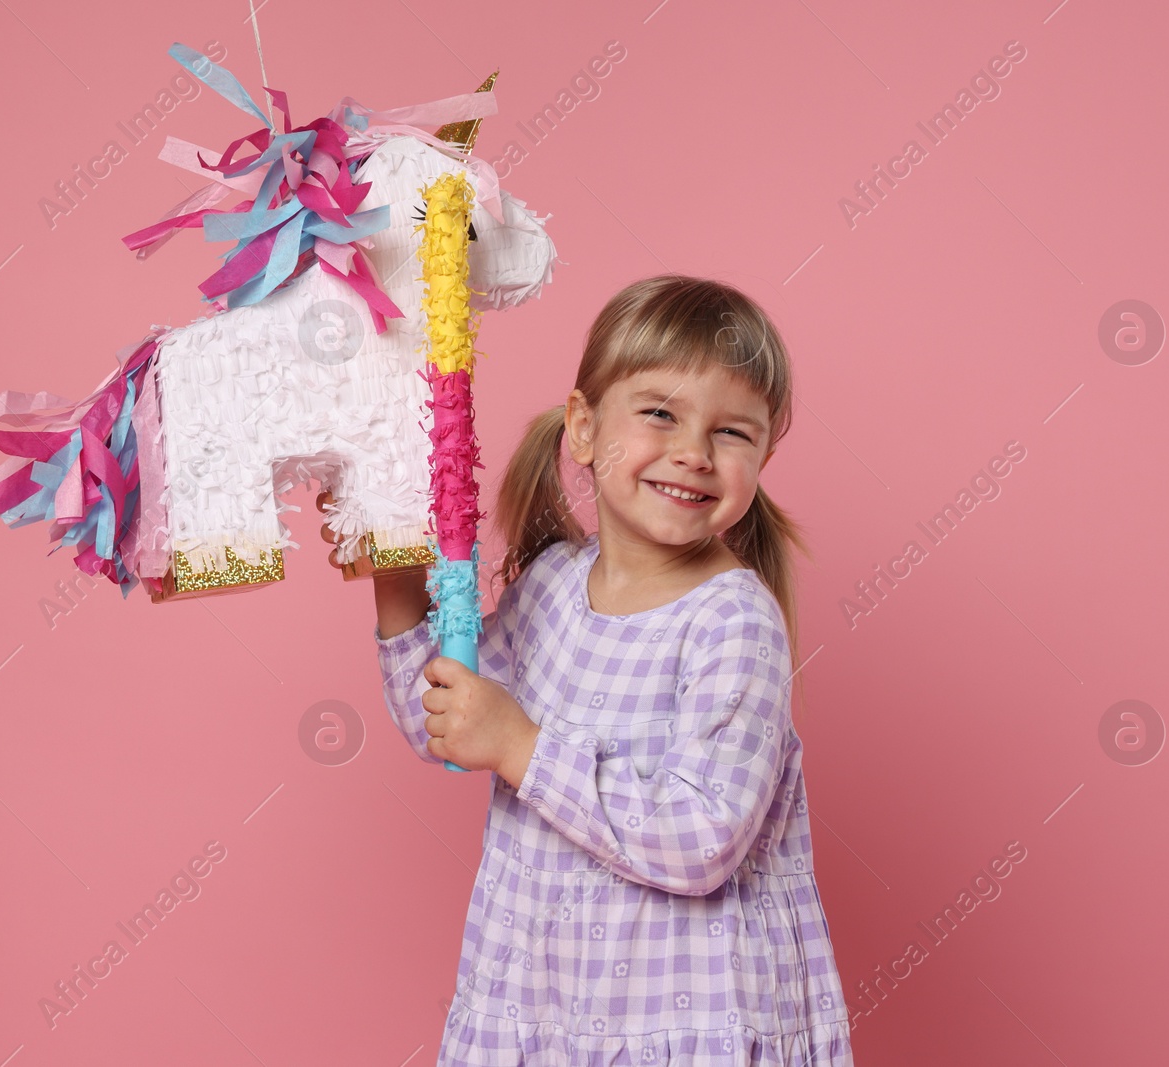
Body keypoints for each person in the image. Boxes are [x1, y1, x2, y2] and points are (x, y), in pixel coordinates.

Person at [318, 274, 852, 1065]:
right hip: (545, 1007)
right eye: (660, 413)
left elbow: (704, 837)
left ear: (766, 453)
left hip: (683, 1017)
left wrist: (523, 747)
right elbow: (450, 722)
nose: (694, 453)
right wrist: (393, 577)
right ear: (585, 428)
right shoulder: (555, 585)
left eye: (733, 432)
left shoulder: (733, 622)